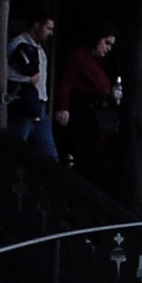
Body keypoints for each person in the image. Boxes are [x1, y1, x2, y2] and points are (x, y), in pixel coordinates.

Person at [55, 20, 120, 191]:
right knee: (89, 162)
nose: (108, 48)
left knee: (101, 163)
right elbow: (66, 82)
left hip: (99, 121)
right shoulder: (79, 57)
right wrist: (63, 107)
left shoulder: (98, 64)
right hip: (84, 117)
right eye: (106, 43)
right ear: (97, 39)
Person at [6, 14, 58, 159]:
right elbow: (7, 74)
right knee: (16, 150)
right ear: (37, 25)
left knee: (50, 155)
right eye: (48, 28)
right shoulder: (17, 44)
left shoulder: (40, 50)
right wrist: (28, 79)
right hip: (23, 105)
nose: (50, 33)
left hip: (39, 106)